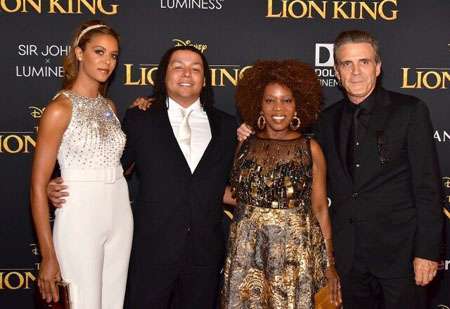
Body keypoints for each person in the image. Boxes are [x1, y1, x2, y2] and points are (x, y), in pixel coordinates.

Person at [238, 30, 443, 308]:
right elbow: (286, 135)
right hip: (348, 260)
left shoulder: (410, 111)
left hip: (400, 257)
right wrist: (252, 130)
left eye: (364, 62)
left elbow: (428, 187)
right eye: (347, 64)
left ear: (378, 67)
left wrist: (427, 253)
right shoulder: (327, 119)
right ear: (336, 71)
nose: (356, 71)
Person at [49, 45, 237, 308]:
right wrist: (56, 182)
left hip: (205, 254)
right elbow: (110, 166)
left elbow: (238, 184)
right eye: (178, 67)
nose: (187, 74)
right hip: (150, 251)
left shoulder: (229, 127)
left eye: (196, 69)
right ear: (163, 75)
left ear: (205, 80)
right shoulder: (140, 118)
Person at [30, 20, 133, 309]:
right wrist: (48, 256)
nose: (107, 61)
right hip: (80, 213)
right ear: (79, 53)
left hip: (120, 209)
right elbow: (38, 186)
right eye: (99, 52)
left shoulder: (109, 107)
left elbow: (115, 161)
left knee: (113, 302)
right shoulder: (59, 108)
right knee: (81, 303)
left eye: (113, 55)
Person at [222, 60, 341, 308]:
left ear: (298, 106)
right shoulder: (244, 145)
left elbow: (320, 209)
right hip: (247, 253)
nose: (279, 108)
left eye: (287, 100)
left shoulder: (311, 149)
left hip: (294, 255)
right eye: (270, 100)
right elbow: (236, 194)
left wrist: (329, 264)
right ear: (259, 105)